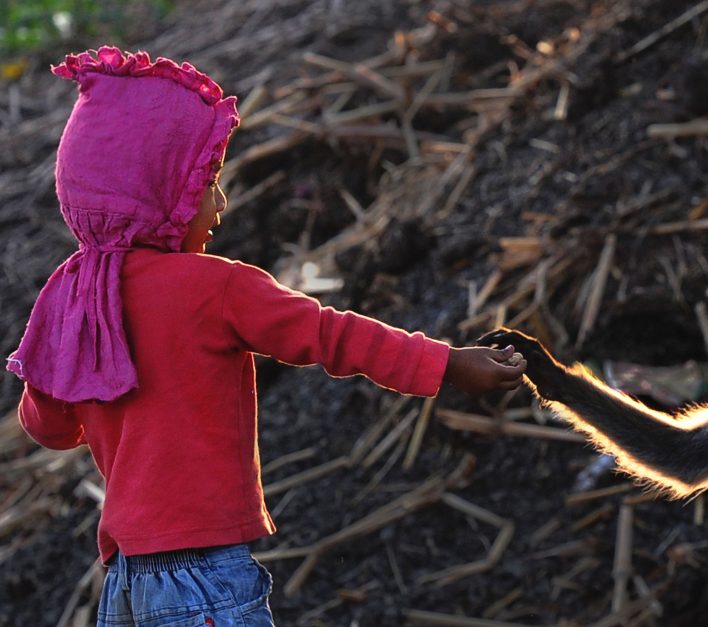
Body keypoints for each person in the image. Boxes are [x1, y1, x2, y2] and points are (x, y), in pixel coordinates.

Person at [7, 46, 525, 627]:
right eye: (206, 182)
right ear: (156, 192)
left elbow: (48, 426)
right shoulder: (216, 288)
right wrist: (449, 364)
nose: (220, 204)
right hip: (203, 576)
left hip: (126, 580)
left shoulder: (72, 298)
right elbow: (332, 337)